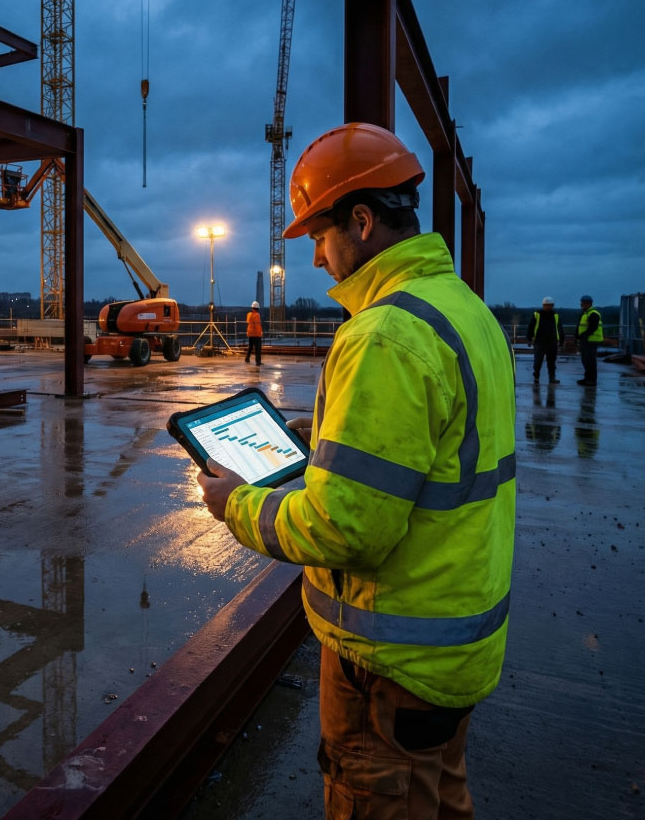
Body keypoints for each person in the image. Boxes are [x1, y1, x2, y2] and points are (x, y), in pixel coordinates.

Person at [198, 122, 516, 819]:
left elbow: (345, 528)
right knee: (439, 796)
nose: (314, 257)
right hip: (453, 648)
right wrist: (331, 437)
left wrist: (237, 505)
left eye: (319, 235)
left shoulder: (384, 334)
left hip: (390, 669)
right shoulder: (465, 312)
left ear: (363, 222)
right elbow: (440, 448)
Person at [526, 296, 563, 384]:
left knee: (552, 362)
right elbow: (531, 327)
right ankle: (536, 377)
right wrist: (528, 338)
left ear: (552, 305)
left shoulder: (555, 315)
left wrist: (561, 340)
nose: (548, 307)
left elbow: (560, 328)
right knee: (538, 362)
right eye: (546, 305)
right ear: (543, 305)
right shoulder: (537, 314)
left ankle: (552, 378)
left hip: (552, 342)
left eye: (550, 305)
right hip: (539, 342)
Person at [576, 295, 603, 386]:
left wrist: (583, 336)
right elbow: (580, 326)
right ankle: (587, 378)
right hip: (586, 341)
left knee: (590, 360)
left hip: (592, 341)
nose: (581, 304)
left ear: (589, 304)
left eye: (583, 303)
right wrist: (577, 336)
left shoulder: (593, 313)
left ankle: (592, 380)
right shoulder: (585, 313)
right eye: (581, 302)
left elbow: (593, 327)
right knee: (585, 360)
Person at [245, 300, 263, 365]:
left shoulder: (249, 315)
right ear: (257, 308)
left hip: (250, 333)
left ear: (252, 308)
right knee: (258, 348)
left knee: (250, 347)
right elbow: (257, 325)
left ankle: (247, 358)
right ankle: (258, 361)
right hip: (256, 334)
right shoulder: (257, 315)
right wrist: (260, 333)